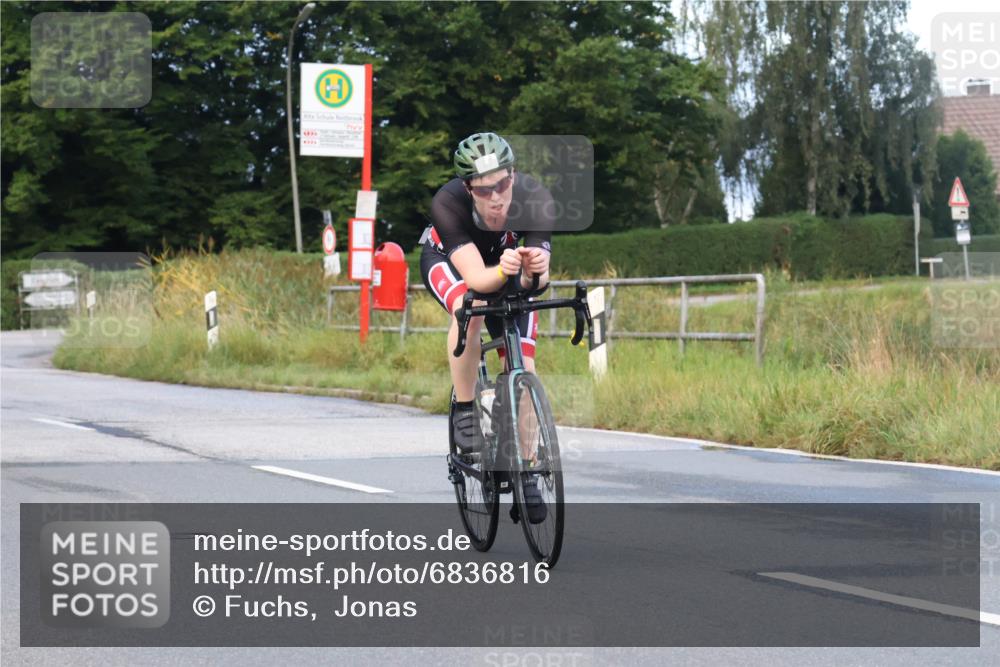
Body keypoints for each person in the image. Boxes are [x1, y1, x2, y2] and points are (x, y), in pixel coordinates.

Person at [419, 132, 553, 522]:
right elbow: (478, 278)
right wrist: (503, 271)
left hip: (506, 268)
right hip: (452, 263)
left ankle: (526, 465)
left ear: (513, 175)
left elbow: (537, 284)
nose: (496, 196)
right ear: (467, 188)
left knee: (525, 369)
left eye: (503, 184)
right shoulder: (447, 203)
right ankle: (465, 409)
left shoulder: (536, 198)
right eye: (484, 190)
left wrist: (533, 272)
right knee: (470, 309)